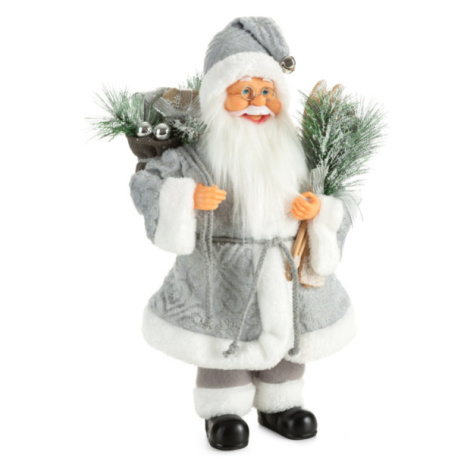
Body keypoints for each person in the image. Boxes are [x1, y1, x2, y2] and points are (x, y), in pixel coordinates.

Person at [130, 17, 355, 451]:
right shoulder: (196, 155)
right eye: (246, 92)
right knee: (224, 343)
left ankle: (280, 404)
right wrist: (187, 198)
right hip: (222, 271)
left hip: (286, 267)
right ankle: (223, 410)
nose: (258, 103)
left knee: (291, 343)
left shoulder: (297, 152)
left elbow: (334, 198)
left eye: (267, 92)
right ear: (219, 97)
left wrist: (318, 211)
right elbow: (147, 183)